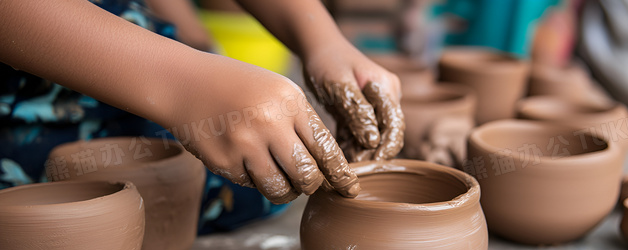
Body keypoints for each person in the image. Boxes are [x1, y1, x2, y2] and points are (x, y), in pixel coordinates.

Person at [0, 0, 403, 230]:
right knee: (52, 219)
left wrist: (319, 37)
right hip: (30, 59)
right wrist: (183, 84)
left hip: (118, 28)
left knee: (259, 166)